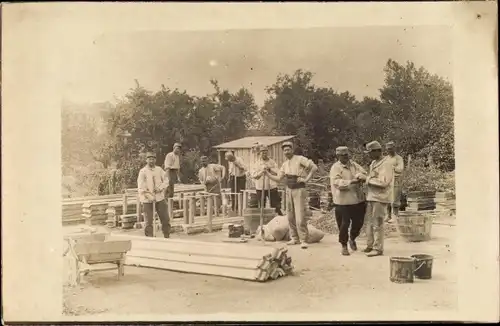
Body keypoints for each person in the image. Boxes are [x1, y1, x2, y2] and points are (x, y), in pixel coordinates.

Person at [265, 141, 318, 249]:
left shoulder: (300, 159)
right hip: (289, 190)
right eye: (284, 150)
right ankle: (294, 238)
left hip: (299, 189)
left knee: (300, 216)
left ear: (292, 150)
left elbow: (314, 167)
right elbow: (279, 178)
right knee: (290, 216)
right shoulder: (285, 164)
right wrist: (267, 174)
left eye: (288, 149)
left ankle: (303, 239)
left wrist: (306, 179)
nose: (286, 151)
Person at [357, 141, 394, 257]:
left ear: (378, 151)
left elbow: (383, 182)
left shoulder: (386, 164)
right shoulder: (373, 163)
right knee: (369, 223)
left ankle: (378, 248)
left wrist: (366, 179)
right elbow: (372, 178)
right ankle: (370, 245)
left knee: (378, 223)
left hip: (380, 197)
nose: (369, 155)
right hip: (371, 196)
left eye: (371, 152)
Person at [330, 146, 367, 256]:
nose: (345, 157)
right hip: (342, 201)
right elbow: (336, 182)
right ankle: (344, 245)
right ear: (338, 156)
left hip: (357, 199)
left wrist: (361, 176)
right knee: (343, 224)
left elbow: (364, 173)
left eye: (346, 155)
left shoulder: (354, 165)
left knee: (359, 222)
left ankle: (353, 237)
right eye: (343, 155)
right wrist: (351, 182)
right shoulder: (335, 167)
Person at [137, 152, 171, 238]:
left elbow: (166, 181)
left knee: (165, 219)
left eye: (153, 159)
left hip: (159, 198)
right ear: (146, 160)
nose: (151, 161)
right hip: (147, 200)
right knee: (149, 221)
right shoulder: (143, 172)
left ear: (155, 160)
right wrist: (149, 196)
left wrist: (160, 188)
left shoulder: (159, 170)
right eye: (149, 159)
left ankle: (167, 236)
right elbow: (141, 187)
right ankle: (150, 239)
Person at [252, 145, 284, 216]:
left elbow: (277, 173)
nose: (264, 154)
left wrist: (269, 169)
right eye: (262, 152)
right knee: (261, 206)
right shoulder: (256, 163)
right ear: (259, 153)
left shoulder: (272, 162)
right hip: (260, 187)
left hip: (272, 187)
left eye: (266, 152)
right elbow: (254, 176)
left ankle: (278, 219)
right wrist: (261, 172)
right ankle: (263, 221)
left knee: (275, 205)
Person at [384, 141, 404, 223]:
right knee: (387, 198)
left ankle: (395, 216)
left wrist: (393, 167)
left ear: (394, 148)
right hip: (387, 180)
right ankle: (388, 215)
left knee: (395, 198)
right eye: (388, 149)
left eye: (391, 149)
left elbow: (400, 169)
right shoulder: (385, 158)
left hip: (396, 180)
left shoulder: (398, 158)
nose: (389, 151)